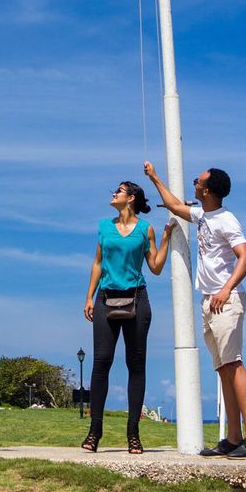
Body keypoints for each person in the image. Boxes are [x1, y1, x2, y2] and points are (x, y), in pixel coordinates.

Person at [144, 161, 246, 459]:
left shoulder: (227, 220)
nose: (194, 182)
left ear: (207, 189)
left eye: (198, 180)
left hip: (227, 299)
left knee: (234, 364)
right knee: (223, 368)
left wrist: (225, 289)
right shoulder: (203, 215)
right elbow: (175, 206)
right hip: (210, 301)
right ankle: (234, 438)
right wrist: (155, 177)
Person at [82, 180, 176, 454]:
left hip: (137, 300)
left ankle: (133, 434)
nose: (113, 194)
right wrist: (89, 296)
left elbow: (156, 267)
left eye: (119, 191)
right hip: (105, 299)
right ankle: (94, 432)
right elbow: (98, 263)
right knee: (101, 361)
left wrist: (167, 238)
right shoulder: (104, 227)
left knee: (136, 365)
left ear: (131, 198)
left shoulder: (146, 229)